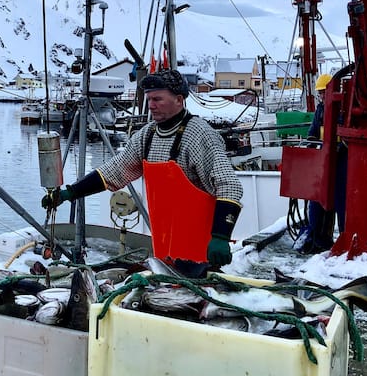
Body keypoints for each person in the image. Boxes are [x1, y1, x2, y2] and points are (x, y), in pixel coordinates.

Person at [41, 69, 243, 268]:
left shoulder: (198, 134)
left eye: (158, 99)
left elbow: (230, 186)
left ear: (179, 100)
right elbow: (114, 171)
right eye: (149, 99)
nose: (151, 105)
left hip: (201, 253)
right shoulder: (147, 136)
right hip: (165, 250)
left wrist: (220, 236)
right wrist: (70, 193)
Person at [294, 73, 347, 254]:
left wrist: (340, 147)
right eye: (321, 93)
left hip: (341, 162)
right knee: (317, 199)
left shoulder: (342, 110)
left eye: (324, 92)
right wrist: (311, 143)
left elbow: (347, 133)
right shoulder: (321, 110)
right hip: (323, 160)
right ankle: (317, 237)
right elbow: (313, 131)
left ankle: (344, 237)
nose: (322, 96)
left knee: (341, 201)